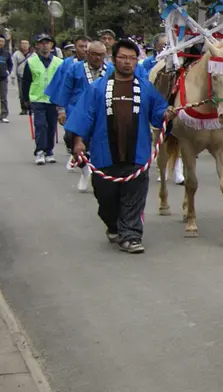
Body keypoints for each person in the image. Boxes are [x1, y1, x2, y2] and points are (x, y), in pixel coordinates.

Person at [66, 40, 174, 254]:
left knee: (134, 196)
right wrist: (78, 142)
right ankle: (114, 226)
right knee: (106, 199)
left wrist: (165, 114)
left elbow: (158, 111)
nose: (127, 62)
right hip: (104, 155)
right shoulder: (97, 89)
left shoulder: (145, 88)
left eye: (132, 58)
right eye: (123, 57)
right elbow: (84, 116)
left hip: (137, 154)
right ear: (114, 59)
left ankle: (131, 235)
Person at [49, 39, 112, 172]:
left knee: (97, 143)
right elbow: (65, 90)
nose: (97, 57)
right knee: (72, 139)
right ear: (87, 54)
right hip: (77, 110)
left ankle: (93, 168)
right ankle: (83, 168)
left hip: (101, 111)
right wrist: (61, 110)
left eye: (101, 54)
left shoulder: (111, 70)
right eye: (94, 54)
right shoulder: (74, 69)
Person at [20, 34, 62, 165]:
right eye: (42, 43)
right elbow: (26, 82)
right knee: (40, 125)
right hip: (37, 99)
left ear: (52, 45)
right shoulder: (31, 62)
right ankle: (40, 151)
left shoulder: (59, 62)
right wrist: (25, 100)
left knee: (51, 126)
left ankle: (49, 151)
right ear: (37, 45)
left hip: (53, 99)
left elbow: (62, 82)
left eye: (47, 43)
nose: (45, 45)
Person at [13, 38, 31, 116]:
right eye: (23, 43)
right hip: (20, 76)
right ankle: (23, 108)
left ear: (29, 45)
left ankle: (31, 107)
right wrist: (13, 76)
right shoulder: (16, 54)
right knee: (21, 93)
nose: (24, 45)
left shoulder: (33, 54)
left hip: (31, 76)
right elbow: (14, 65)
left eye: (26, 43)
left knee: (31, 92)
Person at [0, 35, 12, 123]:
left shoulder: (6, 53)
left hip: (3, 78)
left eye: (2, 41)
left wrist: (8, 71)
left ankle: (4, 115)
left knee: (3, 97)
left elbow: (10, 64)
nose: (1, 43)